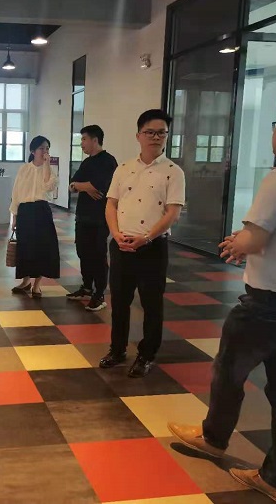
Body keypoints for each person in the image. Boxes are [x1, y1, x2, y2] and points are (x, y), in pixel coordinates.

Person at [169, 96, 276, 504]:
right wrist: (250, 240)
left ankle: (213, 439)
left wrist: (238, 242)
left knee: (228, 371)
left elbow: (256, 237)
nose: (274, 131)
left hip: (268, 304)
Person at [99, 109, 185, 377]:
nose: (156, 137)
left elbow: (173, 212)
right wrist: (115, 233)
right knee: (119, 302)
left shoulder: (173, 172)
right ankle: (117, 349)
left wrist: (146, 238)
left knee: (151, 304)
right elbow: (111, 204)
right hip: (122, 244)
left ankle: (147, 354)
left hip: (152, 247)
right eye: (150, 132)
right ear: (138, 135)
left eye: (161, 133)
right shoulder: (124, 168)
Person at [67, 125, 118, 311]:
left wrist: (82, 186)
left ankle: (100, 294)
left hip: (100, 217)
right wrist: (84, 186)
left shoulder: (108, 161)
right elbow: (71, 185)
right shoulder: (87, 162)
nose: (81, 143)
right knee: (83, 252)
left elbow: (100, 185)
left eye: (84, 139)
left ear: (95, 140)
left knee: (98, 255)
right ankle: (87, 287)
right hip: (83, 216)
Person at [10, 136, 60, 298]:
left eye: (47, 148)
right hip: (25, 211)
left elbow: (48, 187)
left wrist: (47, 165)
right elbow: (16, 193)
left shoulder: (50, 170)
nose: (45, 151)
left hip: (41, 210)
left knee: (42, 247)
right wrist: (14, 216)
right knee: (25, 246)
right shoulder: (24, 169)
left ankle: (37, 284)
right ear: (33, 151)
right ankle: (25, 281)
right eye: (41, 148)